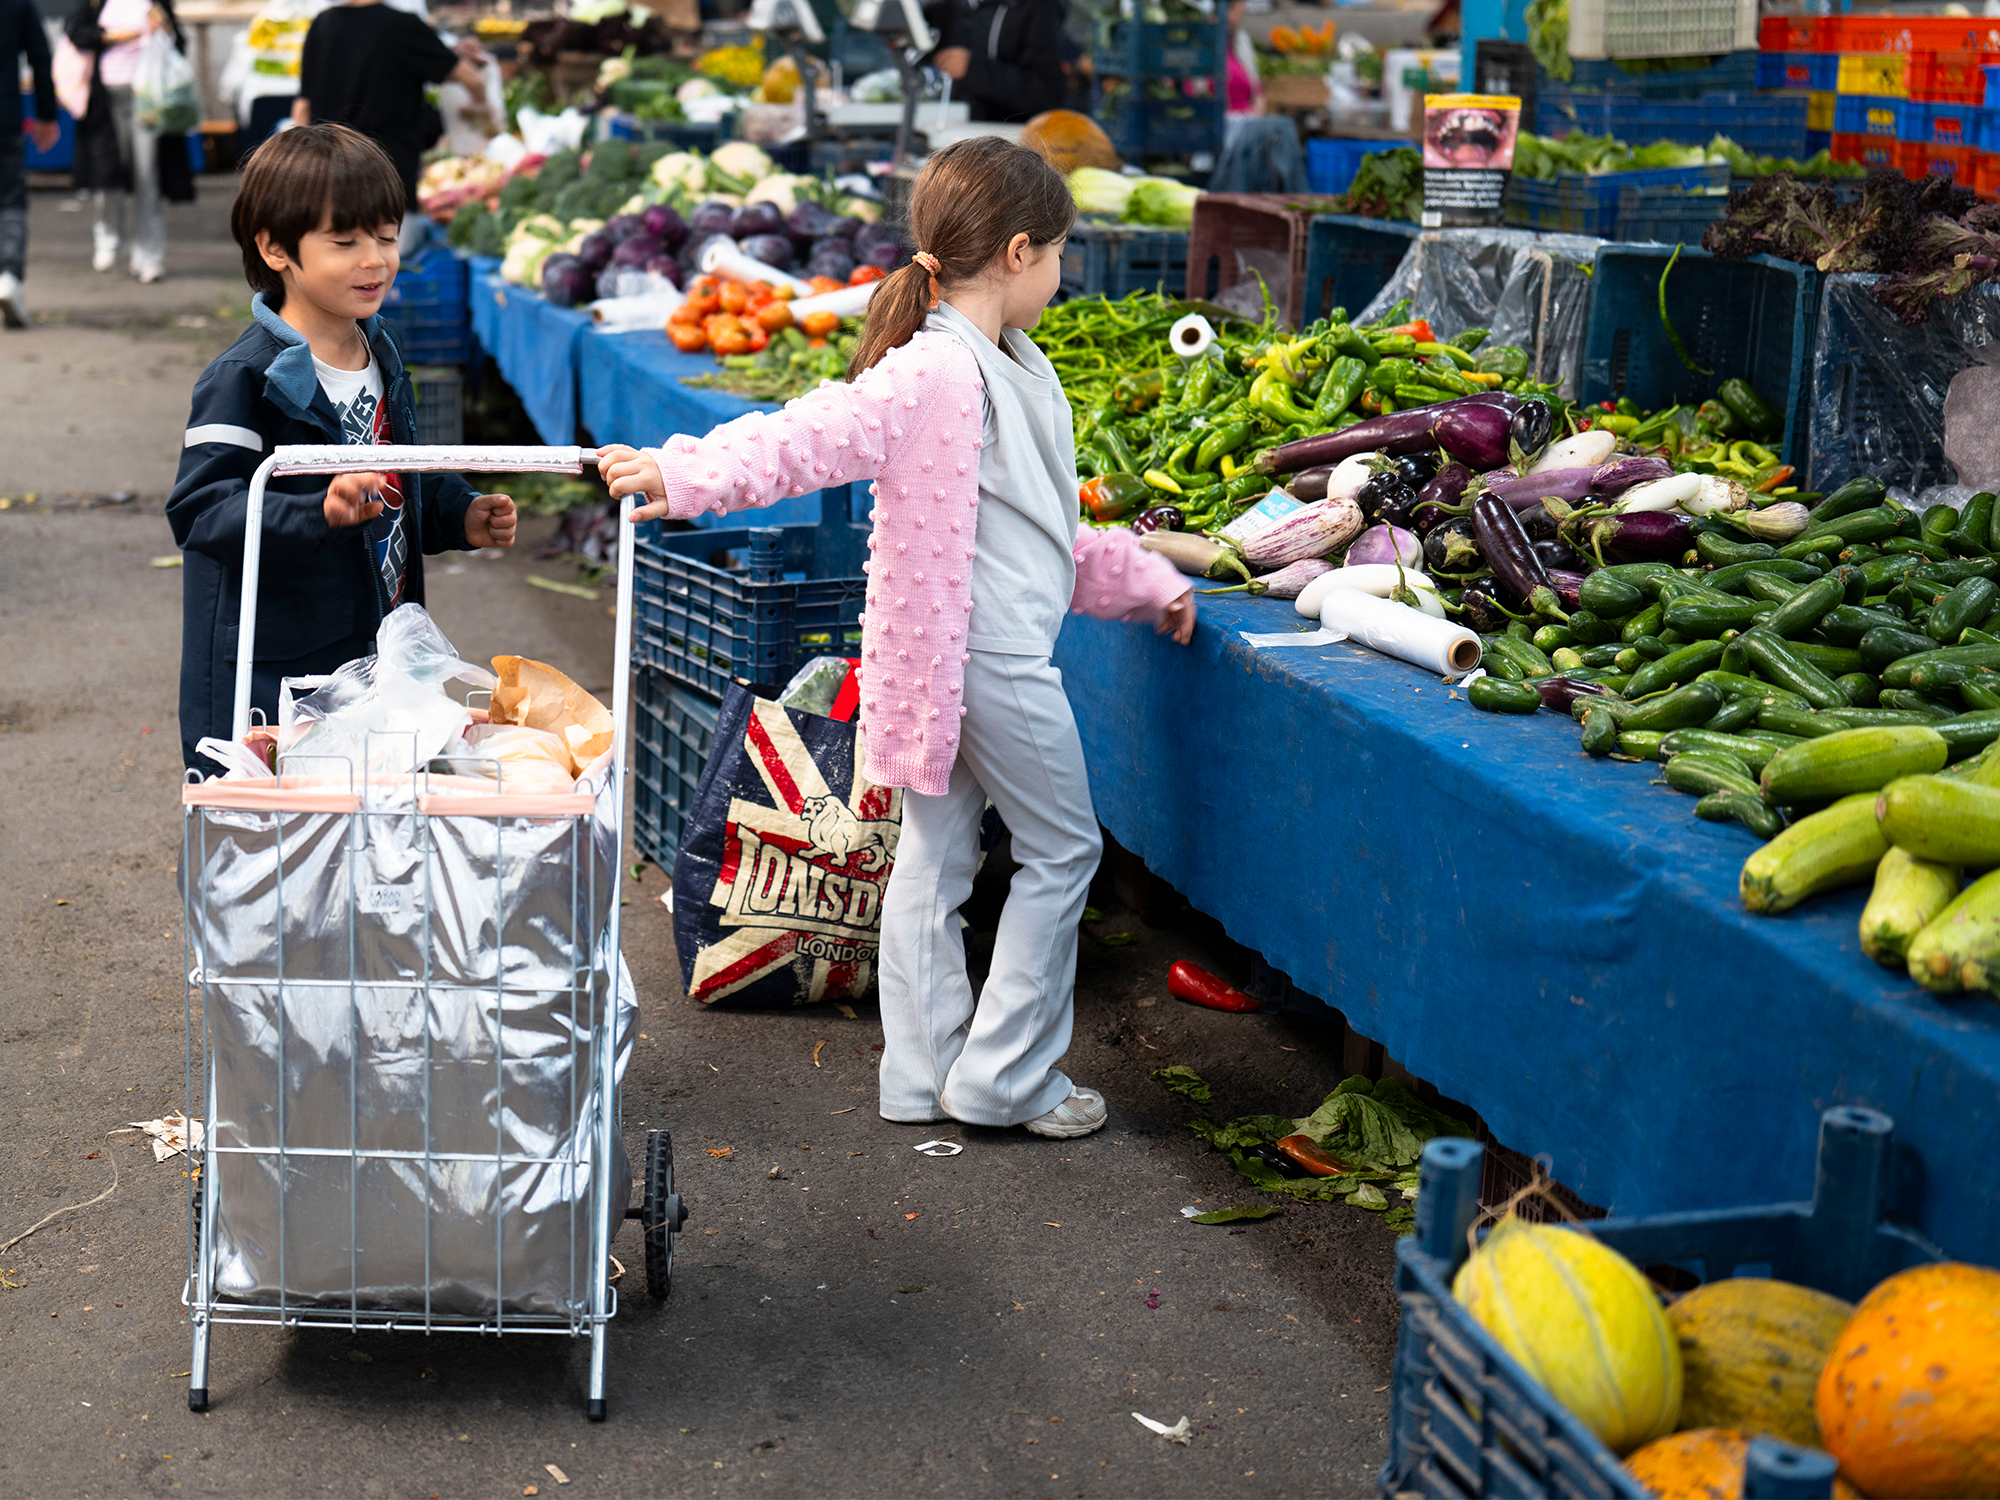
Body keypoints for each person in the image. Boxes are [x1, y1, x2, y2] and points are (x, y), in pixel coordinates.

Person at [599, 138, 1195, 1139]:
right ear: (1015, 253)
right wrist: (684, 473)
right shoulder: (937, 374)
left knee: (932, 856)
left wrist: (1140, 580)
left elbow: (1038, 532)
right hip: (987, 661)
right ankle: (1006, 1079)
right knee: (1060, 850)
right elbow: (804, 435)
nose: (1061, 273)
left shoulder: (1003, 367)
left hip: (945, 661)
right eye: (1057, 253)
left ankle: (918, 1077)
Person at [169, 123, 518, 773]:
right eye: (345, 241)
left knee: (367, 833)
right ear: (275, 249)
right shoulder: (244, 379)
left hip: (375, 663)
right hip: (273, 677)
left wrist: (458, 512)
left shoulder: (380, 353)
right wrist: (315, 512)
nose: (375, 259)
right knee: (279, 845)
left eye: (386, 237)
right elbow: (201, 512)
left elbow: (401, 474)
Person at [295, 0, 488, 249]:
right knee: (386, 261)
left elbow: (302, 107)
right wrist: (481, 106)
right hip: (389, 174)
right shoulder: (402, 25)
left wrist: (299, 168)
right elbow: (469, 77)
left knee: (338, 259)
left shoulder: (322, 24)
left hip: (330, 173)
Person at [67, 0, 196, 283]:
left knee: (147, 175)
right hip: (105, 101)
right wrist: (112, 36)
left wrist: (163, 28)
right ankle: (109, 240)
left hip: (147, 100)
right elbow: (75, 32)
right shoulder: (95, 3)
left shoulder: (156, 3)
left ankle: (149, 255)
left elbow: (179, 44)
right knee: (106, 176)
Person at [0, 0, 60, 326]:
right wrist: (47, 113)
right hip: (5, 117)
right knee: (10, 200)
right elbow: (40, 55)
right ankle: (8, 276)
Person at [932, 0, 1065, 123]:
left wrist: (973, 69)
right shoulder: (955, 6)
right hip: (951, 127)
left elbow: (1046, 94)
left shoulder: (1039, 6)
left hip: (1004, 137)